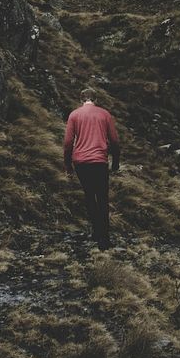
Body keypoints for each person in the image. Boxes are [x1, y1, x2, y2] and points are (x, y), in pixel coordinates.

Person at [64, 87, 121, 251]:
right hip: (99, 161)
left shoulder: (74, 115)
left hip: (80, 162)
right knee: (102, 197)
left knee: (89, 196)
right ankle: (104, 239)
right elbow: (115, 142)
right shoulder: (104, 114)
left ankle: (96, 232)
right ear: (96, 100)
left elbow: (68, 143)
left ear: (81, 100)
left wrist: (68, 165)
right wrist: (115, 162)